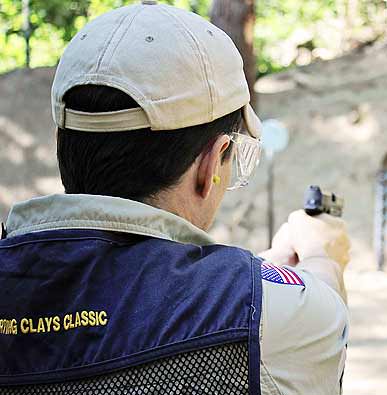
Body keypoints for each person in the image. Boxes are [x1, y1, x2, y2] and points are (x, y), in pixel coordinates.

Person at [0, 2, 350, 395]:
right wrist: (321, 256)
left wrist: (262, 271)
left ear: (63, 146)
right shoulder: (265, 314)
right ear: (212, 163)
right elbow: (318, 321)